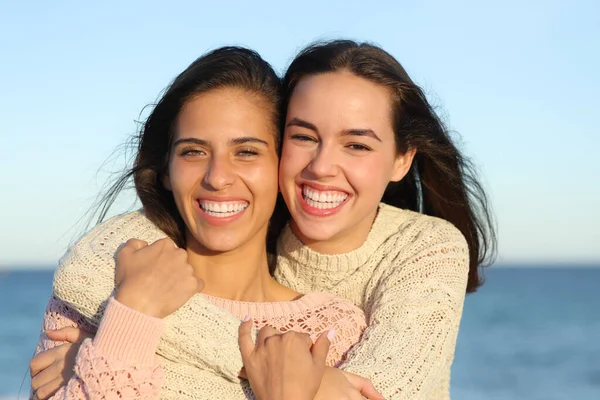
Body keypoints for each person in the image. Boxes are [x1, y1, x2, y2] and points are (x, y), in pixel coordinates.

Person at [32, 40, 496, 400]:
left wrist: (113, 345)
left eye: (247, 152)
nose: (321, 167)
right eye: (193, 151)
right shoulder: (123, 277)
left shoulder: (341, 323)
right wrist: (132, 311)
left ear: (402, 160)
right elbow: (85, 267)